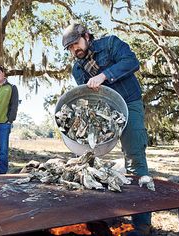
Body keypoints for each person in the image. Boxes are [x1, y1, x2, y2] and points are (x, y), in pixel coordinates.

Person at [62, 23, 151, 236]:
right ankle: (97, 219)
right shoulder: (77, 69)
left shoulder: (110, 44)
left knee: (134, 159)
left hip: (129, 104)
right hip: (103, 114)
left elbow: (131, 62)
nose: (75, 49)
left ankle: (142, 226)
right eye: (70, 48)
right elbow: (87, 98)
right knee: (86, 162)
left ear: (86, 35)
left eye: (76, 43)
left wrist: (104, 76)